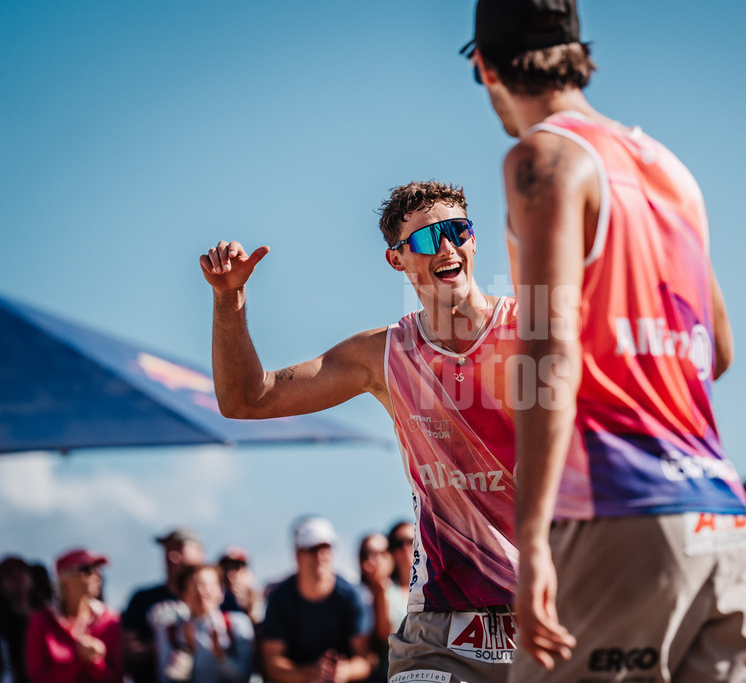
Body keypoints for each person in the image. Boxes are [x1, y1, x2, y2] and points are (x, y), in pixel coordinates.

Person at [464, 1, 746, 679]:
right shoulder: (670, 168)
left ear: (486, 67)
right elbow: (717, 349)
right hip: (719, 514)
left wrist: (531, 538)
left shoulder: (543, 157)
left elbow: (550, 349)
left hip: (617, 512)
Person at [200, 180, 521, 682]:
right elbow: (246, 399)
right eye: (425, 238)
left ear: (473, 239)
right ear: (397, 259)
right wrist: (229, 298)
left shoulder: (535, 335)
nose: (446, 246)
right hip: (442, 622)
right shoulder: (383, 353)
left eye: (458, 230)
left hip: (550, 604)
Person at [257, 516, 370, 682]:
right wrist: (310, 674)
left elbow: (365, 659)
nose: (320, 556)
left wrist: (345, 671)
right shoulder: (279, 598)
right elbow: (272, 663)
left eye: (326, 548)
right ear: (297, 555)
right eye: (312, 549)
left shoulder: (351, 595)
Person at [24, 548, 122, 683]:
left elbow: (116, 677)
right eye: (87, 570)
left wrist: (95, 662)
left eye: (98, 569)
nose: (97, 575)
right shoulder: (40, 622)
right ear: (65, 579)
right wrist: (79, 660)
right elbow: (38, 678)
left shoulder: (110, 621)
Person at [122, 527, 205, 683]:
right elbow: (128, 652)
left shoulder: (218, 600)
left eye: (179, 548)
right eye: (167, 549)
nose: (171, 556)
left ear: (199, 552)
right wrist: (165, 641)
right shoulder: (143, 598)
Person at [154, 564, 254, 683]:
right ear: (183, 595)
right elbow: (167, 680)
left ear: (221, 592)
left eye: (208, 586)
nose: (201, 592)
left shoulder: (237, 623)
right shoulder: (172, 630)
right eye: (194, 586)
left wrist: (220, 656)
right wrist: (186, 652)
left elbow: (244, 676)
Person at [356, 533, 399, 683]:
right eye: (368, 554)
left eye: (382, 552)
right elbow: (386, 636)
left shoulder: (404, 591)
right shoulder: (358, 596)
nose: (376, 560)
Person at [0, 555, 33, 683]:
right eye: (9, 574)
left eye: (21, 571)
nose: (17, 577)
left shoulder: (48, 618)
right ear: (0, 584)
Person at [217, 547, 264, 624]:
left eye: (236, 567)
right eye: (225, 569)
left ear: (248, 573)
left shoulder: (265, 600)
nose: (230, 574)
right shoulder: (218, 604)